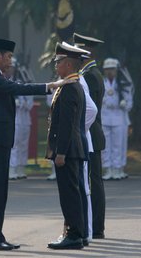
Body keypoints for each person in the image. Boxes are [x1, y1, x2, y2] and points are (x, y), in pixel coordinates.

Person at [0, 38, 73, 251]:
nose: (11, 61)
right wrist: (51, 86)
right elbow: (19, 88)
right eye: (9, 56)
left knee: (0, 190)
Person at [46, 42, 89, 250]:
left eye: (59, 62)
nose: (56, 66)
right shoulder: (70, 85)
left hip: (68, 151)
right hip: (71, 150)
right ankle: (76, 233)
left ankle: (74, 235)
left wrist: (61, 152)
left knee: (69, 194)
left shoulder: (70, 88)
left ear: (69, 65)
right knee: (72, 192)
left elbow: (66, 125)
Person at [73, 32, 107, 239]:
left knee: (93, 182)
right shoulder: (92, 74)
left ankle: (96, 227)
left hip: (91, 133)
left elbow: (89, 109)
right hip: (94, 132)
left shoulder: (90, 76)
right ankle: (96, 226)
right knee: (94, 180)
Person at [101, 58, 133, 180]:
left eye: (112, 69)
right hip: (105, 117)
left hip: (119, 117)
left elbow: (129, 102)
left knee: (118, 145)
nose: (109, 72)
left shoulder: (123, 84)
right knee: (106, 145)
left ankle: (117, 168)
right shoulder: (101, 82)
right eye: (107, 69)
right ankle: (108, 169)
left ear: (116, 70)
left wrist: (125, 103)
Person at [8, 58, 34, 180]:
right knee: (14, 144)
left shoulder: (20, 83)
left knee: (23, 144)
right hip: (14, 118)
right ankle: (12, 169)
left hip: (25, 118)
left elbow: (30, 102)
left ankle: (21, 168)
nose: (11, 69)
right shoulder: (6, 83)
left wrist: (23, 103)